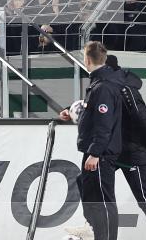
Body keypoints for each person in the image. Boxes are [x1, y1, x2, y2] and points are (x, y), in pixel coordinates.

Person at [59, 41, 123, 240]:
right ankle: (92, 229)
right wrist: (71, 111)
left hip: (100, 153)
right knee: (88, 189)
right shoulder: (100, 83)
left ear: (87, 60)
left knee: (104, 201)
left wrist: (95, 153)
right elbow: (93, 111)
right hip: (97, 150)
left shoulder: (102, 87)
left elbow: (104, 123)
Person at [106, 55, 146, 240]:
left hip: (132, 153)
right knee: (87, 183)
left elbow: (142, 120)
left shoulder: (127, 91)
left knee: (144, 200)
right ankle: (94, 229)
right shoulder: (104, 89)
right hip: (112, 153)